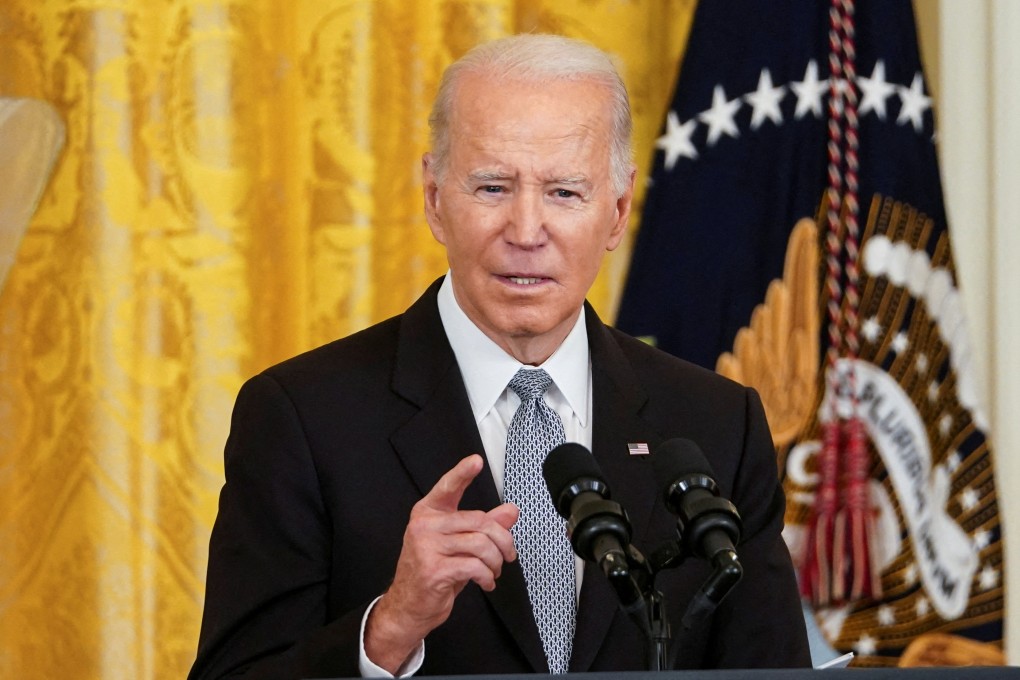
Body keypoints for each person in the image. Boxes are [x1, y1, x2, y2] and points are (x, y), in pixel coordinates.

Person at [188, 34, 811, 680]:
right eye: (491, 187)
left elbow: (769, 665)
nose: (525, 230)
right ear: (434, 198)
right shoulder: (303, 419)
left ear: (618, 210)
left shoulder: (716, 425)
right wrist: (391, 627)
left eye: (565, 193)